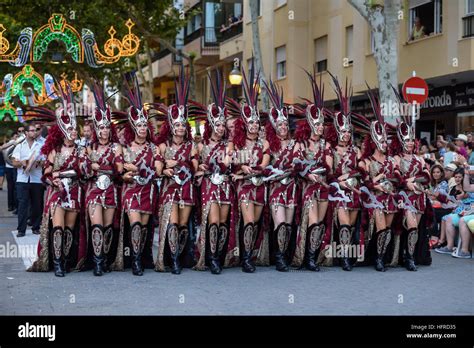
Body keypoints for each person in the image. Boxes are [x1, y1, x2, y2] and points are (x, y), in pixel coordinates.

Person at [28, 83, 85, 277]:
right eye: (71, 129)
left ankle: (66, 260)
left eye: (75, 129)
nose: (74, 131)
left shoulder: (81, 151)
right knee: (58, 228)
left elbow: (83, 171)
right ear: (63, 130)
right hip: (58, 192)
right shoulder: (55, 150)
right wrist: (55, 179)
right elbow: (47, 170)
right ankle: (57, 262)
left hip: (75, 192)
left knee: (69, 229)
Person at [111, 73, 162, 276]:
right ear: (133, 127)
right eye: (138, 125)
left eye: (144, 125)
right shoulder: (123, 147)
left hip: (148, 191)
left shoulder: (154, 147)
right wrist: (125, 170)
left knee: (144, 227)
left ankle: (141, 256)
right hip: (132, 190)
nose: (142, 128)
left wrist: (137, 167)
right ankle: (135, 261)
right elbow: (118, 168)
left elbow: (157, 169)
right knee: (135, 224)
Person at [155, 68, 197, 275]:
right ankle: (172, 260)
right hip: (170, 188)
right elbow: (157, 169)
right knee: (172, 223)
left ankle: (180, 255)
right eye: (177, 124)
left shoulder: (192, 146)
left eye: (183, 124)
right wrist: (166, 168)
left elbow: (196, 167)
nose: (181, 127)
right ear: (171, 126)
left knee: (182, 224)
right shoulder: (162, 146)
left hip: (187, 188)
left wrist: (187, 166)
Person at [228, 64, 270, 273]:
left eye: (256, 122)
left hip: (259, 184)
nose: (254, 125)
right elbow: (229, 159)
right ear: (245, 124)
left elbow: (265, 162)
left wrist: (258, 169)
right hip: (244, 185)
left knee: (256, 223)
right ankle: (245, 258)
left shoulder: (264, 143)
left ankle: (251, 254)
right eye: (250, 122)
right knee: (249, 220)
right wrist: (241, 165)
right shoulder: (237, 142)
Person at [292, 69, 333, 272]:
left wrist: (324, 167)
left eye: (322, 124)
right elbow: (296, 165)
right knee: (313, 221)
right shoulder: (302, 143)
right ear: (310, 124)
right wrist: (307, 174)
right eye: (316, 124)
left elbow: (329, 167)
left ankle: (313, 256)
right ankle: (306, 257)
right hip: (309, 187)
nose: (320, 127)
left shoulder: (326, 145)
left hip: (323, 187)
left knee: (319, 224)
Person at [193, 71, 234, 274]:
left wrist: (208, 166)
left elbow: (226, 165)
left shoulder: (229, 144)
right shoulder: (202, 146)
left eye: (222, 125)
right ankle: (210, 258)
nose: (220, 128)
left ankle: (218, 255)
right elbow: (197, 167)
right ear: (211, 125)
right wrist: (200, 168)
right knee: (214, 221)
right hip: (209, 186)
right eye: (216, 124)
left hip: (225, 185)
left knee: (223, 223)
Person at [82, 82, 124, 276]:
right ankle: (97, 263)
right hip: (94, 190)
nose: (104, 131)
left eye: (107, 128)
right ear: (96, 130)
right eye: (101, 128)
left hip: (111, 190)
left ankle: (105, 259)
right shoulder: (89, 148)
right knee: (97, 226)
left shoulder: (117, 148)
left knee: (107, 228)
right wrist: (89, 167)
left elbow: (118, 169)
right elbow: (83, 170)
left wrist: (101, 167)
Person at [359, 87, 400, 272]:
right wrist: (378, 181)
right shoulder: (366, 161)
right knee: (381, 228)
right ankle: (378, 260)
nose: (386, 144)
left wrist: (391, 181)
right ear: (375, 142)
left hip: (390, 198)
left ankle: (380, 256)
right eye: (382, 142)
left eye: (386, 141)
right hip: (375, 199)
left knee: (387, 230)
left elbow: (398, 177)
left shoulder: (392, 160)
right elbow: (364, 182)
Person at [326, 74, 362, 271]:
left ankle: (346, 255)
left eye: (349, 131)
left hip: (354, 192)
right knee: (345, 224)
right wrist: (339, 180)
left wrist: (353, 177)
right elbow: (329, 174)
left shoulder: (356, 151)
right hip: (338, 193)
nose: (346, 134)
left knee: (351, 225)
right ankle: (345, 259)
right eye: (343, 131)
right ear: (337, 132)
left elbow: (361, 171)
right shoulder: (330, 151)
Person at [262, 79, 299, 272]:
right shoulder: (270, 144)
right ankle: (278, 259)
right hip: (277, 187)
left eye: (285, 124)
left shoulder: (295, 144)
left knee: (289, 225)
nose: (283, 127)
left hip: (291, 188)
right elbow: (264, 167)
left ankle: (285, 255)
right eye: (280, 124)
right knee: (281, 223)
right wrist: (274, 172)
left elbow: (301, 166)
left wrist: (296, 168)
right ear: (274, 126)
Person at [392, 115, 431, 271]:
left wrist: (412, 179)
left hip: (419, 197)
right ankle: (408, 259)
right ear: (401, 141)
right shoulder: (396, 158)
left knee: (414, 229)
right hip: (405, 197)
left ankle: (410, 255)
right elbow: (395, 176)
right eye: (406, 140)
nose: (409, 143)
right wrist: (406, 183)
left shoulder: (420, 159)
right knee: (412, 226)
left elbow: (427, 176)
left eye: (411, 140)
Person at [11, 123, 44, 237]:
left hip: (36, 179)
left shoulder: (40, 146)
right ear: (26, 133)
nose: (34, 132)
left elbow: (45, 161)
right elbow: (13, 162)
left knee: (36, 205)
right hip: (22, 180)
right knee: (22, 205)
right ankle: (21, 229)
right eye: (31, 130)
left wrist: (38, 163)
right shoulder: (20, 146)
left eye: (35, 130)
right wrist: (22, 162)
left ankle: (36, 227)